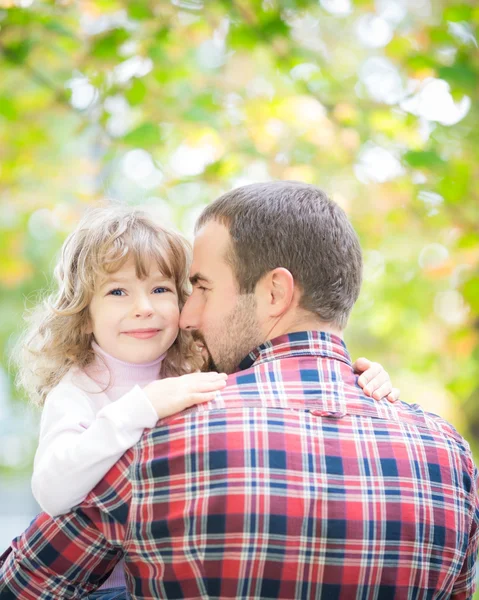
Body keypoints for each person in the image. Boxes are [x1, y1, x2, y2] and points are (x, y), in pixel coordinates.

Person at [1, 201, 394, 600]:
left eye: (160, 289)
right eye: (118, 291)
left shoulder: (193, 367)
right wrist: (141, 407)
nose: (144, 308)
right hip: (98, 587)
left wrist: (362, 378)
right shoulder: (77, 390)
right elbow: (52, 490)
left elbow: (281, 387)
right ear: (84, 313)